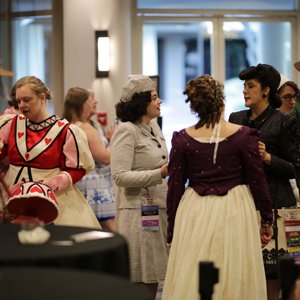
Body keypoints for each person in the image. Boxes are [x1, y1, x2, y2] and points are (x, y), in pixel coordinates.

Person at [161, 74, 273, 300]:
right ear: (221, 102)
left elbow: (175, 188)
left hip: (194, 210)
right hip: (235, 208)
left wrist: (172, 230)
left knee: (194, 269)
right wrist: (266, 219)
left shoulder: (182, 139)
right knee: (234, 271)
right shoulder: (244, 136)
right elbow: (258, 181)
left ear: (195, 107)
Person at [229, 64, 300, 300]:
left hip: (278, 206)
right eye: (244, 87)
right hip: (244, 205)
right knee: (246, 273)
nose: (245, 91)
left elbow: (295, 169)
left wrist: (267, 157)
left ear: (267, 90)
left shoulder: (283, 122)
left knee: (277, 275)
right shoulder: (236, 119)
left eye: (251, 86)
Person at [0, 76, 100, 228]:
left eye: (27, 99)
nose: (22, 105)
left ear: (42, 98)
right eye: (19, 101)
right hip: (12, 196)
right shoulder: (11, 124)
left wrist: (55, 182)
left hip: (51, 197)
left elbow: (78, 169)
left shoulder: (66, 131)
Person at [110, 74, 169, 299]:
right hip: (136, 212)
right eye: (154, 97)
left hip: (155, 209)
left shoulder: (153, 126)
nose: (159, 101)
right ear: (140, 102)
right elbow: (119, 176)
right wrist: (159, 173)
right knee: (140, 277)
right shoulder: (126, 130)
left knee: (153, 274)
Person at [63, 87, 116, 231]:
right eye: (91, 99)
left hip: (87, 183)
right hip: (95, 185)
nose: (95, 101)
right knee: (110, 229)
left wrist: (105, 139)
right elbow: (104, 157)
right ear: (82, 104)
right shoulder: (84, 127)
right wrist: (113, 139)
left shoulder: (73, 125)